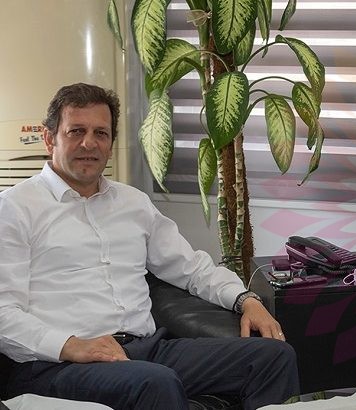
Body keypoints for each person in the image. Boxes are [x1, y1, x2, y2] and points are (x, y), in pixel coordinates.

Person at [0, 83, 300, 409]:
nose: (89, 143)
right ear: (50, 139)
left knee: (272, 357)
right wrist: (70, 345)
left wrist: (246, 300)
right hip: (60, 364)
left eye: (101, 133)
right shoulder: (15, 208)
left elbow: (191, 267)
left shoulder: (133, 203)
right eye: (76, 131)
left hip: (145, 350)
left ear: (111, 144)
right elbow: (4, 313)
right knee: (155, 382)